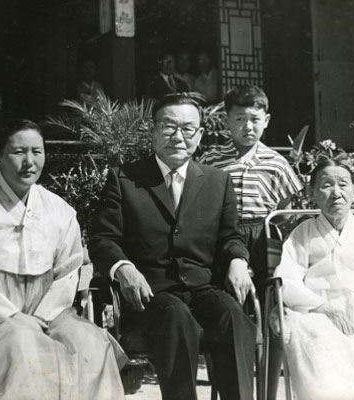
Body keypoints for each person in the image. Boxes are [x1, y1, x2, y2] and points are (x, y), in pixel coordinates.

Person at [89, 92, 257, 400]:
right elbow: (102, 238)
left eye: (188, 128)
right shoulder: (124, 179)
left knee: (234, 319)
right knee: (177, 317)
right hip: (149, 296)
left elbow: (231, 237)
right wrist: (124, 268)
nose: (178, 136)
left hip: (202, 288)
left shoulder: (218, 182)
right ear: (152, 130)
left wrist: (238, 261)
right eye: (168, 126)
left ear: (200, 135)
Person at [0, 117, 126, 400]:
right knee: (24, 342)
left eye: (37, 152)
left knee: (90, 343)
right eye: (18, 152)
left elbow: (68, 271)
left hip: (49, 311)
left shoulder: (60, 211)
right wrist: (14, 316)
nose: (29, 161)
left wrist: (41, 317)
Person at [274, 158, 354, 400]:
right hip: (320, 311)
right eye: (326, 185)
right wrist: (324, 309)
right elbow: (287, 279)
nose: (336, 193)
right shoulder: (303, 233)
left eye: (343, 184)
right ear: (312, 193)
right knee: (315, 336)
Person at [199, 85, 303, 282]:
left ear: (266, 120)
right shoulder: (211, 160)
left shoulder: (276, 163)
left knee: (265, 284)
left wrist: (263, 227)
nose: (248, 126)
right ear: (226, 120)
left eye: (255, 119)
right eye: (240, 119)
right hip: (223, 234)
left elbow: (285, 212)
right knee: (223, 283)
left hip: (262, 236)